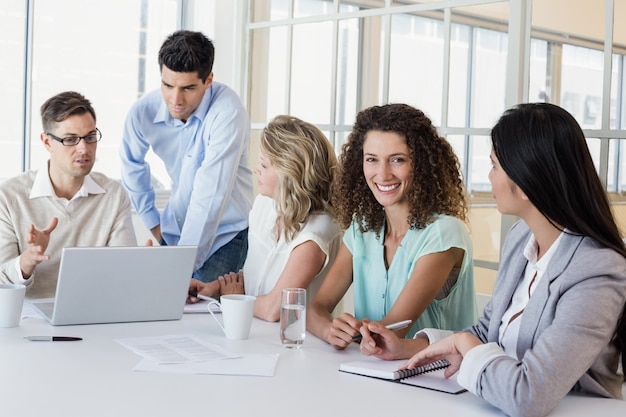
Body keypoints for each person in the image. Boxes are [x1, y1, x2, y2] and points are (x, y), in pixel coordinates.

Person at [360, 103, 626, 417]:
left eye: (495, 166)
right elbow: (487, 334)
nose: (489, 177)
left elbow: (528, 396)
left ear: (526, 179)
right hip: (491, 406)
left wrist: (464, 344)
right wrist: (406, 348)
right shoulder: (520, 239)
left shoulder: (596, 270)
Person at [307, 103, 476, 349]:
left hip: (435, 379)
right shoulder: (362, 228)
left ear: (421, 164)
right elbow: (316, 308)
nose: (383, 174)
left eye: (397, 160)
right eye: (372, 160)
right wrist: (330, 329)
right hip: (372, 371)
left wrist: (355, 333)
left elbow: (394, 330)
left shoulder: (443, 233)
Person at [120, 30, 253, 283]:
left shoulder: (228, 113)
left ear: (209, 79)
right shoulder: (142, 112)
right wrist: (152, 222)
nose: (175, 99)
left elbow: (210, 194)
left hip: (224, 235)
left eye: (188, 88)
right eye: (167, 85)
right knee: (162, 308)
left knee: (202, 315)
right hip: (173, 230)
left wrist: (181, 266)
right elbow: (131, 164)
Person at [188, 115, 341, 322]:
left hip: (290, 344)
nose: (255, 169)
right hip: (251, 330)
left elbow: (274, 309)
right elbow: (255, 278)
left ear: (290, 173)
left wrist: (232, 297)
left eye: (264, 165)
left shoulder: (318, 231)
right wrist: (210, 288)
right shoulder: (264, 205)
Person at [0, 91, 137, 299]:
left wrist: (142, 264)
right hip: (28, 322)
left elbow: (123, 273)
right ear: (47, 142)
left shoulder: (113, 194)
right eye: (71, 139)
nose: (84, 148)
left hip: (96, 315)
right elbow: (1, 281)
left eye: (90, 137)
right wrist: (28, 260)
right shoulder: (9, 197)